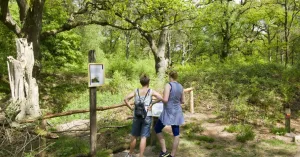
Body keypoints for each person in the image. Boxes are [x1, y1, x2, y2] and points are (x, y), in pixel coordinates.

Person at [124, 74, 163, 157]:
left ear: (140, 82)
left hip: (136, 115)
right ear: (148, 82)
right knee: (143, 137)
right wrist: (152, 103)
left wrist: (131, 108)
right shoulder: (151, 91)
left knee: (134, 135)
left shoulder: (136, 91)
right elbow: (160, 97)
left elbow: (126, 99)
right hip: (147, 115)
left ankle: (130, 154)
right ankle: (141, 155)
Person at [155, 71, 185, 157]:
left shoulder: (168, 85)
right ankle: (172, 155)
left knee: (157, 128)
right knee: (176, 134)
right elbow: (183, 101)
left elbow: (165, 100)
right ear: (176, 77)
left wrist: (159, 97)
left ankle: (164, 151)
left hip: (168, 112)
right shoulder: (180, 86)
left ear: (169, 77)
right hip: (177, 112)